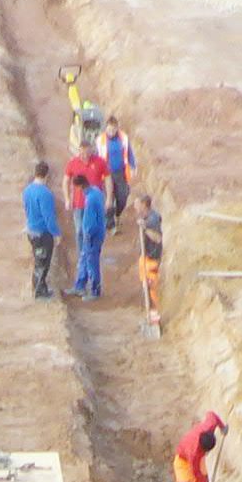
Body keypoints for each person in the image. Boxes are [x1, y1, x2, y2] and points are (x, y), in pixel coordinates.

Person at [21, 160, 60, 301]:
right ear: (47, 175)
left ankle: (39, 287)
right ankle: (39, 291)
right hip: (42, 233)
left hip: (31, 231)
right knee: (43, 261)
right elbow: (49, 216)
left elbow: (26, 208)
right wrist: (56, 233)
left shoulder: (27, 190)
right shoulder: (45, 194)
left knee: (39, 259)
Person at [73, 174, 110, 301]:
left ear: (81, 186)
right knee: (84, 258)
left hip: (93, 235)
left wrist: (88, 236)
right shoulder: (96, 191)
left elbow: (90, 222)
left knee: (91, 261)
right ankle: (79, 285)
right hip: (97, 231)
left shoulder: (90, 199)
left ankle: (95, 291)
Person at [135, 195, 165, 332]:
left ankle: (154, 318)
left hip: (151, 259)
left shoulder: (152, 219)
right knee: (146, 286)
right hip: (145, 258)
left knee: (151, 288)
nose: (135, 207)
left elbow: (158, 238)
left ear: (144, 205)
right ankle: (151, 314)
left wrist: (145, 228)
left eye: (137, 204)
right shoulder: (147, 218)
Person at [101, 116, 132, 219]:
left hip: (120, 173)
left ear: (117, 128)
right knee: (109, 196)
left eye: (113, 129)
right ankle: (110, 222)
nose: (111, 132)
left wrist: (133, 165)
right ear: (106, 128)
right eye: (109, 129)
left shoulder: (123, 139)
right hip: (106, 174)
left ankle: (117, 214)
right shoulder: (100, 140)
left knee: (123, 196)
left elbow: (129, 153)